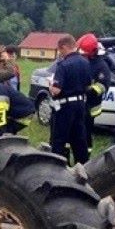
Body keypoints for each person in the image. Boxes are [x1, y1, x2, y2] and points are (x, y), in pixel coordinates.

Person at [49, 34, 91, 165]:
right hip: (80, 104)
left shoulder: (63, 65)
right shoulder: (85, 62)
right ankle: (83, 166)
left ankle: (57, 166)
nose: (60, 53)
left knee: (59, 139)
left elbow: (57, 90)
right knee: (79, 138)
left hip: (65, 106)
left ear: (64, 47)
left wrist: (50, 86)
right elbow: (88, 84)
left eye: (60, 50)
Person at [77, 33, 112, 153]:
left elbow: (103, 86)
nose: (83, 56)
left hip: (91, 105)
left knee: (86, 132)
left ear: (92, 52)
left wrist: (88, 90)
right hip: (79, 103)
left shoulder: (101, 66)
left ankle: (87, 155)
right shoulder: (84, 59)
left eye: (85, 54)